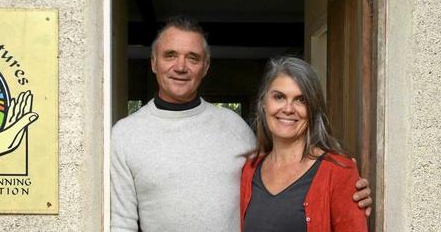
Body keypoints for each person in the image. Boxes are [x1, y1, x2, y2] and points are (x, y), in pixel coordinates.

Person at [111, 17, 371, 232]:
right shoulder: (125, 135)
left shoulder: (233, 126)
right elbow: (121, 223)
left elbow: (298, 178)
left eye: (193, 57)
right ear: (154, 62)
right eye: (170, 55)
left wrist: (346, 184)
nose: (181, 66)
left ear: (206, 66)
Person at [240, 57, 367, 232]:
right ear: (263, 103)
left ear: (313, 109)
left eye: (301, 100)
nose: (288, 108)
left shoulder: (339, 171)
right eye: (279, 97)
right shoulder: (249, 170)